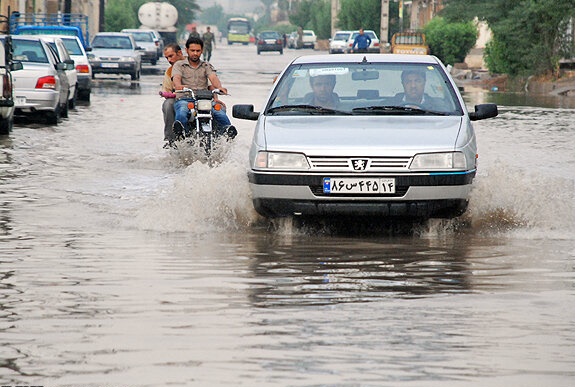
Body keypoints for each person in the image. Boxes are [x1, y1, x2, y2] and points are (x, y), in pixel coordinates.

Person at [171, 36, 235, 138]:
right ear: (186, 50)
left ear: (202, 51)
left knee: (219, 112)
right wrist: (178, 85)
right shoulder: (179, 65)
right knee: (182, 112)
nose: (195, 53)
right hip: (185, 99)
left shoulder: (206, 66)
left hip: (204, 100)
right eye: (192, 50)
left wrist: (220, 87)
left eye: (198, 50)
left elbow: (213, 77)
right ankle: (182, 135)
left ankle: (227, 131)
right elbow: (176, 78)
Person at [159, 43, 185, 145]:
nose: (169, 60)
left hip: (198, 98)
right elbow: (167, 89)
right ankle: (171, 139)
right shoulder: (170, 71)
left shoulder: (194, 64)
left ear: (179, 53)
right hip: (179, 98)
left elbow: (211, 85)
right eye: (167, 58)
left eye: (171, 56)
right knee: (168, 104)